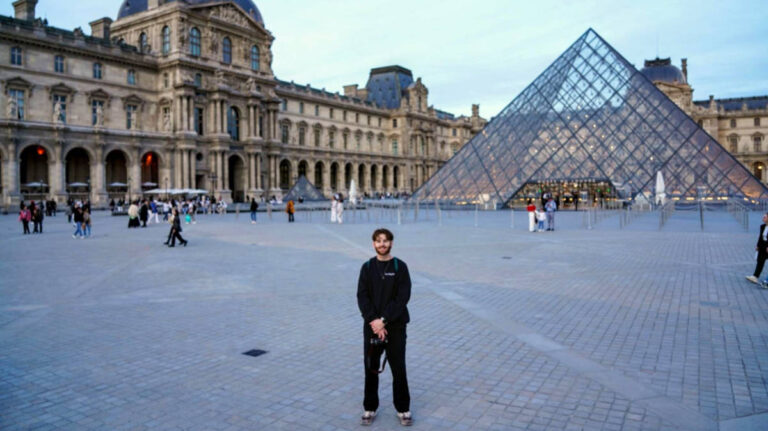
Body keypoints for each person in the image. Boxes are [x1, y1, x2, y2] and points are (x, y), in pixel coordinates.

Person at [357, 228, 412, 426]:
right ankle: (370, 407)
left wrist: (384, 320)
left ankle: (403, 408)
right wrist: (374, 321)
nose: (382, 244)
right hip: (372, 327)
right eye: (378, 241)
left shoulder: (400, 267)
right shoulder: (367, 267)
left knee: (399, 368)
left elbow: (402, 297)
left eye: (386, 241)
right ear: (373, 244)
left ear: (391, 243)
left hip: (395, 326)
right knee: (371, 368)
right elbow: (362, 296)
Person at [747, 212, 768, 287]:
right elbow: (760, 237)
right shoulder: (762, 226)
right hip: (763, 246)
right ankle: (755, 276)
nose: (763, 218)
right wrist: (758, 245)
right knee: (760, 261)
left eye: (765, 217)